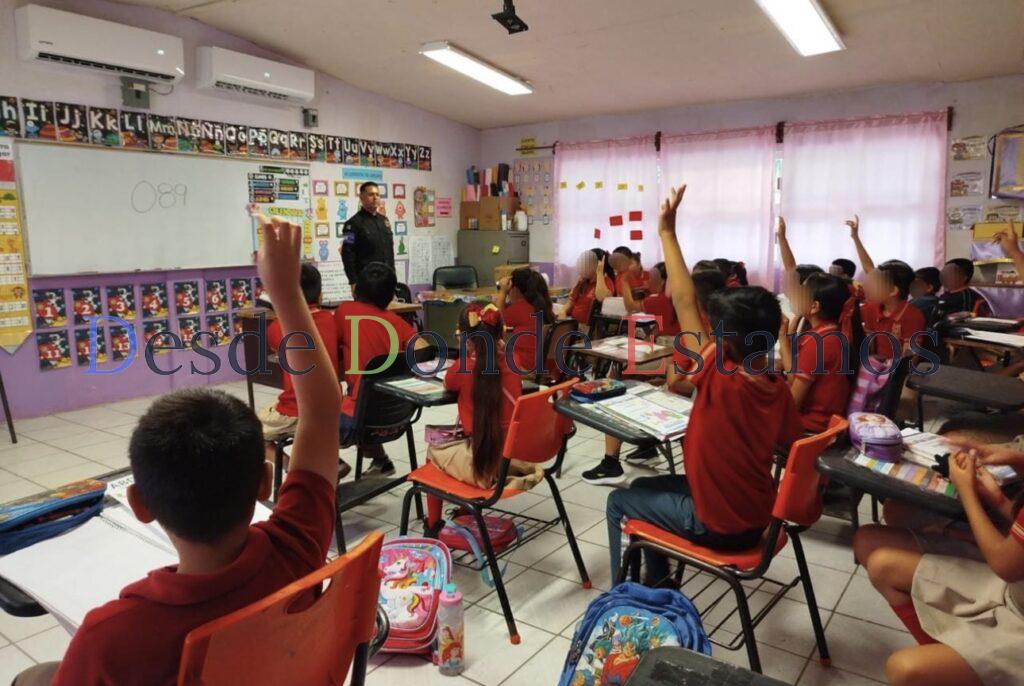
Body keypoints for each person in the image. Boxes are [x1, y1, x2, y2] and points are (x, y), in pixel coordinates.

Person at [14, 218, 343, 686]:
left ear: (140, 504)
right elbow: (324, 409)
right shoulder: (296, 545)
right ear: (265, 482)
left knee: (35, 677)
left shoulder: (109, 637)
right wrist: (286, 292)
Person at [605, 183, 804, 583]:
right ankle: (660, 583)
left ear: (725, 338)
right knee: (646, 484)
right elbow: (786, 443)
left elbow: (682, 300)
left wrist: (667, 232)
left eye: (714, 326)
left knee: (618, 501)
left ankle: (627, 595)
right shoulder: (774, 383)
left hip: (721, 525)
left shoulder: (720, 372)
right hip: (758, 516)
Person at [858, 445, 1024, 686]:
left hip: (1014, 604)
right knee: (883, 564)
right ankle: (949, 661)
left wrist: (967, 492)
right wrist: (998, 497)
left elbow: (1005, 564)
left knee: (904, 669)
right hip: (1012, 591)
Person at [583, 268, 726, 486]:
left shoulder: (689, 332)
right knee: (633, 376)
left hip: (682, 408)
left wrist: (669, 376)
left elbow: (676, 382)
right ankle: (647, 448)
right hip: (701, 408)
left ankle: (611, 463)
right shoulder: (727, 329)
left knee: (617, 387)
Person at [427, 302, 539, 493]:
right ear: (501, 334)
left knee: (433, 449)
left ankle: (435, 521)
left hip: (482, 454)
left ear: (465, 339)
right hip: (514, 450)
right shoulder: (514, 361)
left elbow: (448, 383)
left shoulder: (462, 367)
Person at [258, 263, 348, 477]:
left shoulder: (278, 327)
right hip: (333, 405)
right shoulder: (331, 320)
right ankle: (332, 461)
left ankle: (297, 469)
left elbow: (275, 345)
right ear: (321, 292)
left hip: (297, 410)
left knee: (251, 432)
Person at [334, 261, 416, 476]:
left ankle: (332, 463)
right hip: (398, 418)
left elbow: (330, 343)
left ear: (356, 289)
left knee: (310, 417)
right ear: (390, 296)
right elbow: (423, 350)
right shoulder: (396, 322)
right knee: (364, 400)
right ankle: (382, 462)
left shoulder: (345, 311)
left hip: (358, 421)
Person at [778, 272, 862, 432]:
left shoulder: (821, 343)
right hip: (816, 419)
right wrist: (784, 339)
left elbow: (793, 403)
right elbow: (794, 378)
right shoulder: (824, 333)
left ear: (814, 306)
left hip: (811, 425)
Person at [844, 217, 925, 360]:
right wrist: (855, 238)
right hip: (873, 367)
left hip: (896, 374)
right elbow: (869, 268)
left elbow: (911, 359)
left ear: (893, 291)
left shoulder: (912, 316)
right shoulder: (872, 308)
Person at [498, 267, 555, 374]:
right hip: (549, 367)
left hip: (527, 367)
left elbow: (496, 320)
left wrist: (502, 291)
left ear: (515, 290)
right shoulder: (544, 306)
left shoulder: (519, 308)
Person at [339, 181, 394, 285]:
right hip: (367, 281)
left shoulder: (384, 221)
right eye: (371, 194)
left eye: (377, 194)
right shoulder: (352, 224)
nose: (375, 197)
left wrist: (393, 276)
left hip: (387, 278)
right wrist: (353, 282)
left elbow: (389, 252)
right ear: (361, 197)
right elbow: (347, 254)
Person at [563, 248, 616, 328]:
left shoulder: (606, 282)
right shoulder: (583, 281)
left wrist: (599, 272)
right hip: (571, 322)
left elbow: (601, 297)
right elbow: (571, 301)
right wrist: (563, 311)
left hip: (585, 328)